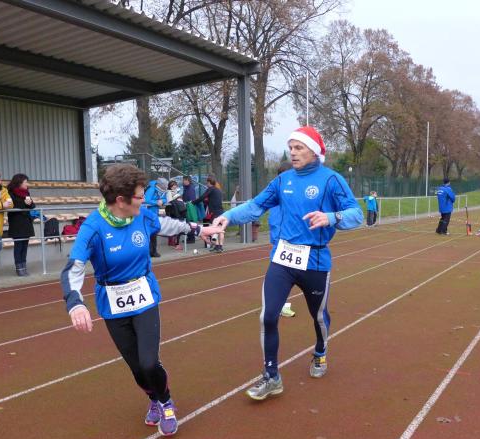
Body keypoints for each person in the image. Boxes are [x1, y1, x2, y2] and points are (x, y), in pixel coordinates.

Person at [201, 126, 363, 400]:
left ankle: (320, 351)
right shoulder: (282, 180)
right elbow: (255, 206)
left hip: (314, 260)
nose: (293, 153)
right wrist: (228, 216)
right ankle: (271, 376)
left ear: (314, 151)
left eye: (299, 148)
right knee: (268, 316)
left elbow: (355, 214)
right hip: (283, 259)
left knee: (319, 317)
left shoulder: (331, 180)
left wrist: (331, 217)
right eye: (291, 148)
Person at [61, 164, 206, 436]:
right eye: (139, 196)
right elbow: (73, 269)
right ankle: (153, 398)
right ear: (121, 200)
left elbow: (167, 224)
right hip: (113, 303)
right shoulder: (93, 228)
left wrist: (198, 229)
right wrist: (75, 303)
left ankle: (166, 402)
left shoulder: (141, 216)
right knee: (137, 368)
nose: (144, 200)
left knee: (149, 361)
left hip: (144, 296)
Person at [6, 173, 36, 276]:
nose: (27, 184)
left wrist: (30, 203)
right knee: (18, 245)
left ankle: (24, 266)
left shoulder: (26, 192)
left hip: (26, 222)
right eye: (25, 182)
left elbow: (33, 205)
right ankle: (19, 267)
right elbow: (12, 206)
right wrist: (25, 204)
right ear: (19, 183)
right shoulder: (10, 192)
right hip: (16, 223)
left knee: (25, 246)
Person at [194, 176, 225, 252]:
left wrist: (193, 202)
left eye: (207, 182)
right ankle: (220, 246)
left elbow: (202, 197)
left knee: (214, 229)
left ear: (209, 182)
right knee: (220, 229)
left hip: (214, 212)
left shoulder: (210, 189)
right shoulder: (218, 190)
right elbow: (213, 199)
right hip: (221, 212)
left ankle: (217, 246)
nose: (206, 184)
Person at [143, 178, 164, 257]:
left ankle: (153, 251)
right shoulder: (151, 189)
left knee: (154, 233)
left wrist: (162, 201)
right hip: (148, 214)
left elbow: (165, 198)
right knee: (149, 233)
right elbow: (147, 200)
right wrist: (156, 202)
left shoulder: (159, 190)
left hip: (154, 214)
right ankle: (150, 251)